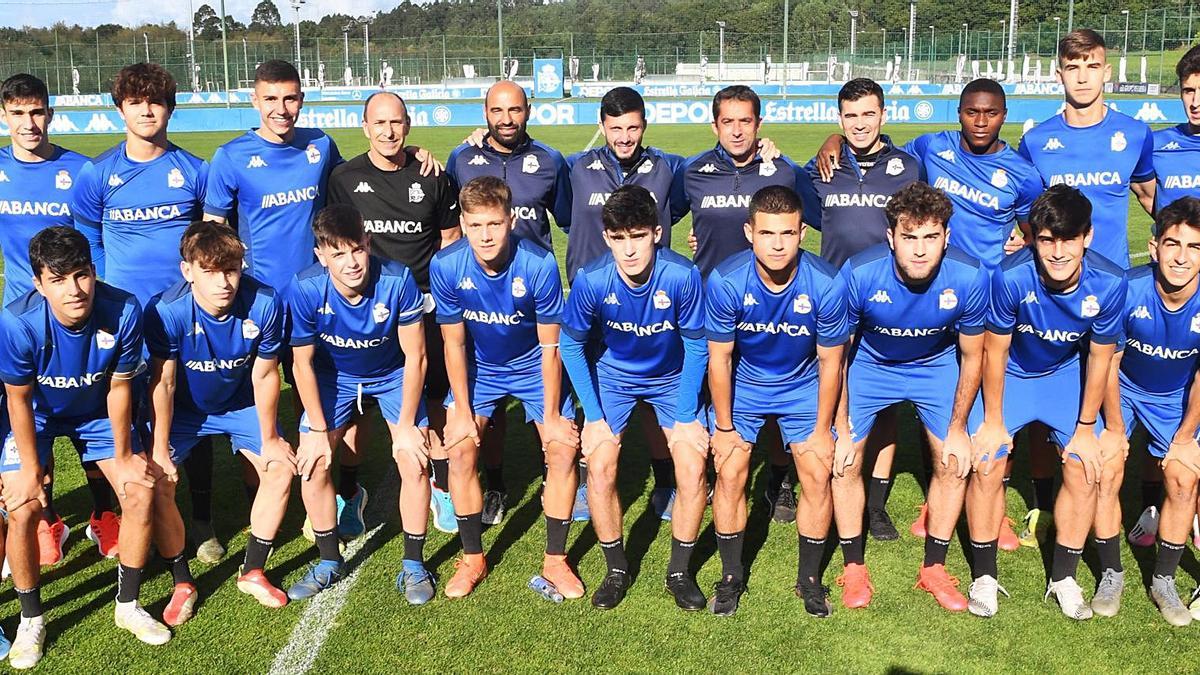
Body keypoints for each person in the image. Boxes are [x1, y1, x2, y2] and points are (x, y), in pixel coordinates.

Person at [0, 227, 181, 667]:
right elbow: (18, 399)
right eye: (58, 280)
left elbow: (120, 389)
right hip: (39, 416)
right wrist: (29, 469)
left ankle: (128, 605)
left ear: (94, 273)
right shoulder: (16, 322)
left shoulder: (122, 309)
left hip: (98, 413)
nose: (74, 290)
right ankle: (30, 619)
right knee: (22, 507)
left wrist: (123, 458)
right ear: (39, 284)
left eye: (81, 275)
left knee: (139, 489)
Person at [966, 185, 1127, 620]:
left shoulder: (1111, 282)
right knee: (988, 459)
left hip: (1063, 377)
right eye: (1047, 239)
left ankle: (1064, 578)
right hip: (1014, 374)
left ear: (1087, 237)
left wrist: (1087, 428)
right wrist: (995, 420)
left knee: (1083, 465)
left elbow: (1100, 358)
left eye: (1068, 239)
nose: (1057, 252)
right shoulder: (1009, 275)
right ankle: (983, 575)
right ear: (1034, 237)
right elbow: (994, 351)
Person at [71, 62, 209, 561]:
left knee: (189, 409)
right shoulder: (98, 172)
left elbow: (207, 239)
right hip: (122, 318)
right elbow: (87, 235)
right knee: (123, 412)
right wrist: (108, 289)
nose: (146, 110)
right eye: (135, 102)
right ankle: (121, 515)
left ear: (170, 108)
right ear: (120, 109)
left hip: (180, 313)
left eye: (155, 102)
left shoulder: (193, 170)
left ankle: (202, 520)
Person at [833, 182, 988, 613]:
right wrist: (842, 427)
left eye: (930, 237)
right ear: (891, 237)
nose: (920, 250)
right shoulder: (860, 273)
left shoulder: (970, 276)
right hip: (870, 365)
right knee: (843, 460)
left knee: (955, 462)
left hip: (934, 367)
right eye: (909, 237)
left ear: (947, 237)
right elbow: (838, 356)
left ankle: (934, 569)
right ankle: (853, 566)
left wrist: (958, 429)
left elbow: (973, 355)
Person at [430, 176, 582, 601]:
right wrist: (461, 409)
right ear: (462, 223)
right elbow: (454, 343)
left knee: (563, 449)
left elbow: (551, 346)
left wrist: (551, 417)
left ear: (510, 220)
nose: (485, 235)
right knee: (459, 448)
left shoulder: (539, 265)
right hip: (482, 368)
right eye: (476, 225)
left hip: (534, 365)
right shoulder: (446, 266)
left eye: (494, 224)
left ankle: (556, 559)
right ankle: (472, 556)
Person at [561, 185, 709, 611]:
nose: (630, 250)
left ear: (657, 233)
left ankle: (679, 572)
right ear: (607, 238)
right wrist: (592, 417)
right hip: (614, 379)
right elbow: (571, 346)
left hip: (671, 378)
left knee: (693, 466)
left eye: (638, 235)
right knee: (601, 465)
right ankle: (617, 568)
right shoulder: (591, 280)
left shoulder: (682, 276)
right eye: (620, 238)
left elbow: (697, 346)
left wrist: (685, 415)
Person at [673, 85, 818, 521]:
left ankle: (779, 477)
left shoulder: (783, 171)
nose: (737, 131)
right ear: (714, 124)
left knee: (772, 395)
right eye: (728, 121)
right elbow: (663, 220)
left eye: (746, 121)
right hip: (709, 302)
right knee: (714, 388)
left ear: (759, 123)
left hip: (771, 305)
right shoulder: (692, 171)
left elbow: (812, 218)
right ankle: (721, 471)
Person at [705, 185, 847, 617]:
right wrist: (725, 428)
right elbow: (720, 359)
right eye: (767, 233)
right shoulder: (726, 280)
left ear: (803, 232)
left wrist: (823, 431)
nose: (778, 243)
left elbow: (831, 363)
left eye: (787, 232)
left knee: (817, 472)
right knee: (730, 472)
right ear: (750, 232)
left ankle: (809, 581)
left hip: (802, 385)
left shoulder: (825, 282)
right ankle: (731, 577)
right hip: (745, 385)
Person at [326, 91, 459, 538]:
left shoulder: (433, 175)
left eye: (397, 122)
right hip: (365, 310)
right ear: (365, 127)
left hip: (422, 306)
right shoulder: (343, 178)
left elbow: (449, 238)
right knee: (357, 407)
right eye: (379, 123)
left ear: (408, 124)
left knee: (434, 399)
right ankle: (350, 491)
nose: (388, 131)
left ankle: (440, 487)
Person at [145, 221, 295, 610]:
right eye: (209, 272)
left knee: (280, 467)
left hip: (241, 404)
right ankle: (182, 581)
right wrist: (160, 448)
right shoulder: (166, 310)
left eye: (230, 270)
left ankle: (253, 571)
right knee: (157, 480)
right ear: (187, 271)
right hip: (186, 413)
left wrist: (270, 437)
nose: (223, 282)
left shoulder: (264, 302)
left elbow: (265, 374)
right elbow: (163, 384)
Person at [285, 204, 431, 602]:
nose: (351, 263)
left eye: (357, 250)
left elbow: (415, 357)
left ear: (368, 243)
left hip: (392, 374)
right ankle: (329, 560)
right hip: (335, 377)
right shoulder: (304, 287)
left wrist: (405, 426)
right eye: (338, 254)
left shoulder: (398, 280)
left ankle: (414, 565)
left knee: (413, 459)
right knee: (312, 463)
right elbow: (302, 364)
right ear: (321, 255)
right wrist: (316, 430)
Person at [446, 80, 575, 526]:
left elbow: (572, 219)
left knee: (547, 384)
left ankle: (554, 478)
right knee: (491, 411)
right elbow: (451, 222)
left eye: (515, 110)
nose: (506, 118)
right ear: (485, 112)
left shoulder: (549, 161)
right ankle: (496, 484)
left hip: (534, 295)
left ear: (528, 111)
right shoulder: (461, 158)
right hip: (482, 297)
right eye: (497, 110)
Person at [802, 77, 921, 540]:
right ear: (839, 120)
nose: (859, 124)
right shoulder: (820, 169)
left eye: (868, 114)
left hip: (888, 298)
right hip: (833, 296)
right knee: (826, 389)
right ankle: (808, 481)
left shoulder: (907, 167)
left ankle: (874, 504)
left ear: (883, 116)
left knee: (884, 401)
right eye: (850, 117)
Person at [0, 72, 96, 568]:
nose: (28, 123)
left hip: (70, 313)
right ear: (4, 116)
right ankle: (46, 517)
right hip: (19, 321)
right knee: (29, 418)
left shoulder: (77, 171)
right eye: (18, 113)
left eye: (36, 112)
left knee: (81, 405)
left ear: (50, 114)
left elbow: (89, 245)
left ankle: (104, 513)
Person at [1129, 45, 1200, 550]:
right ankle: (1156, 510)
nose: (1195, 101)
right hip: (1175, 276)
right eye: (1189, 91)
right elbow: (1146, 194)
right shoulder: (1159, 144)